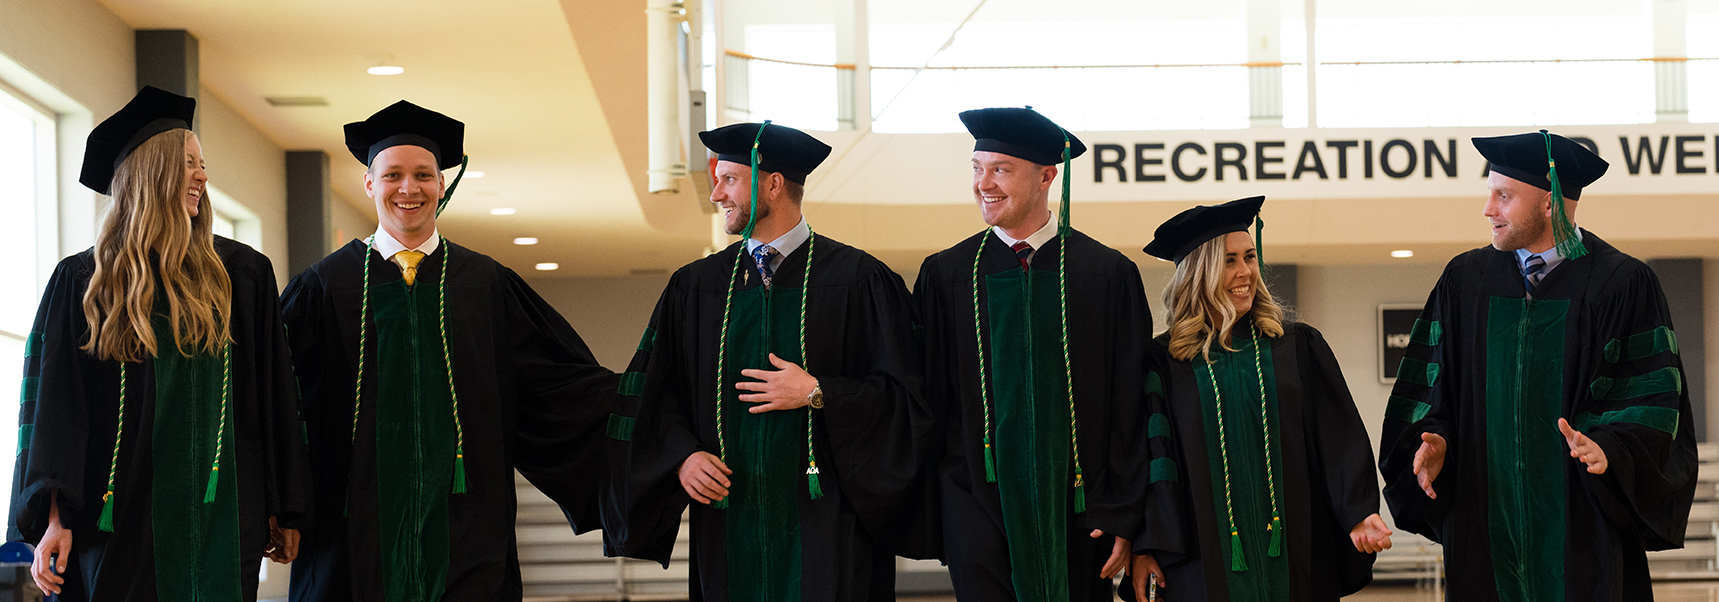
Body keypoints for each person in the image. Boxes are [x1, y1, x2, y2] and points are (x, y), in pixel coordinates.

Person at [281, 100, 618, 600]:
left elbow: (562, 384)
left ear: (443, 183)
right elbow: (281, 402)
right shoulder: (325, 287)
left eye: (423, 174)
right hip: (351, 534)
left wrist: (655, 402)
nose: (409, 189)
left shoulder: (486, 285)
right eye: (392, 174)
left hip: (468, 532)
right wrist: (285, 507)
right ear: (369, 183)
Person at [600, 121, 934, 601]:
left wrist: (819, 393)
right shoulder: (694, 287)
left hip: (828, 525)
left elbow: (908, 400)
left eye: (728, 179)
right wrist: (682, 457)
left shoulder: (861, 281)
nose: (716, 194)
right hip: (728, 516)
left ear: (772, 184)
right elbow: (656, 392)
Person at [10, 85, 311, 600]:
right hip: (121, 520)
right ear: (152, 173)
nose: (203, 176)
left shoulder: (242, 276)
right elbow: (58, 410)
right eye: (189, 163)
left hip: (221, 518)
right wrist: (54, 518)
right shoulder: (86, 281)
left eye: (202, 163)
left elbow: (273, 397)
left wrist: (285, 505)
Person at [1378, 131, 1697, 601]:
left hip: (1583, 531)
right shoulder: (1465, 281)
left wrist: (1611, 447)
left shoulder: (1624, 284)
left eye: (1503, 196)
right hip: (1486, 527)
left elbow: (1652, 399)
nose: (1488, 209)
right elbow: (1432, 387)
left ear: (1549, 204)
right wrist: (1437, 439)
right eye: (1490, 193)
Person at [914, 107, 1154, 601]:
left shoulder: (1106, 275)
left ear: (1047, 176)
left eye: (1000, 169)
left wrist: (1124, 514)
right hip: (975, 501)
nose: (984, 183)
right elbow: (927, 400)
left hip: (1081, 505)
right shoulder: (947, 275)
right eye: (977, 168)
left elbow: (1129, 404)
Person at [1130, 196, 1388, 602]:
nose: (1245, 271)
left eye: (1249, 257)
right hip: (1201, 559)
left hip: (1296, 552)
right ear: (1199, 273)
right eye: (1229, 260)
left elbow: (1338, 438)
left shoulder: (1298, 347)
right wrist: (1146, 546)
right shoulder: (1162, 363)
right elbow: (1150, 461)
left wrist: (1357, 512)